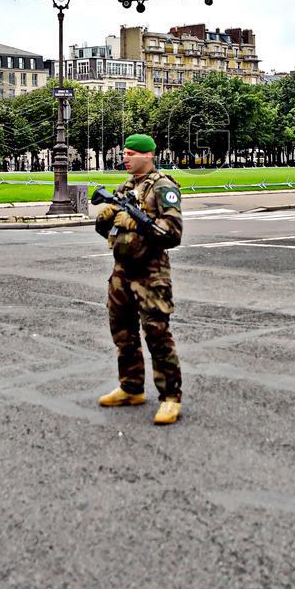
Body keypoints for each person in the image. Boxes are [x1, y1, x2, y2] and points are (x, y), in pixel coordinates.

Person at [94, 133, 183, 425]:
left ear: (148, 155)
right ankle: (131, 387)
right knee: (122, 332)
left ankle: (170, 397)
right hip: (122, 270)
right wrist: (106, 217)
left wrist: (135, 222)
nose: (125, 157)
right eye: (125, 153)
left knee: (157, 333)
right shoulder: (125, 188)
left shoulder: (163, 187)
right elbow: (106, 231)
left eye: (131, 153)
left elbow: (172, 234)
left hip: (151, 271)